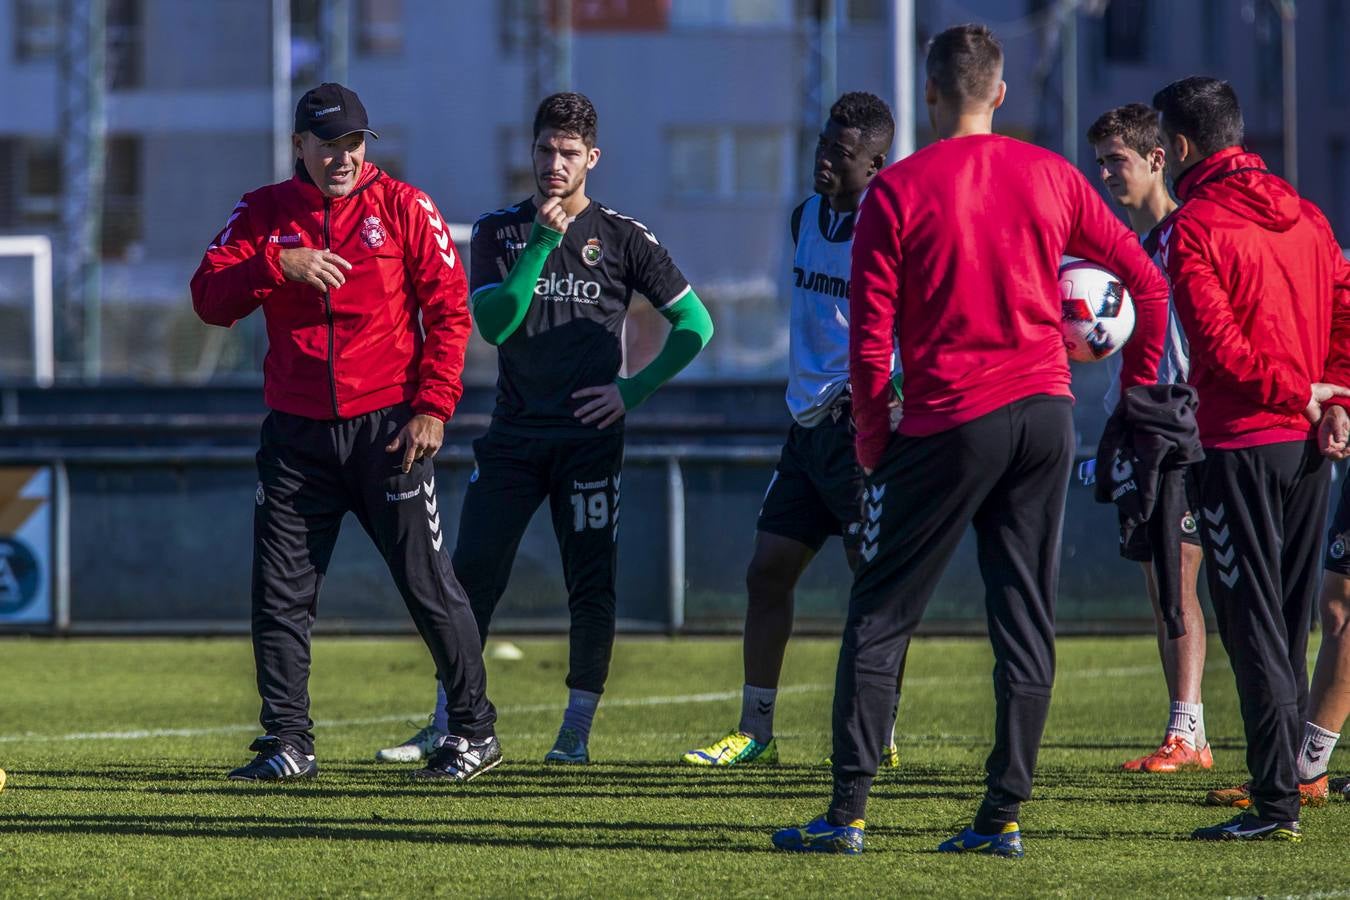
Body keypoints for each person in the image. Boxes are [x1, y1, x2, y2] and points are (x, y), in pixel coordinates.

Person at [771, 24, 1170, 856]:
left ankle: (846, 815)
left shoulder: (897, 191)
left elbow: (868, 342)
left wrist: (873, 443)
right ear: (999, 94)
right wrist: (1134, 398)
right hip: (1045, 418)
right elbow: (1147, 282)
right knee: (1024, 619)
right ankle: (1002, 817)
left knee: (880, 612)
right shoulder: (1052, 175)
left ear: (928, 94)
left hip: (952, 419)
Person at [380, 92, 713, 770]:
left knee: (590, 586)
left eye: (568, 153)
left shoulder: (624, 237)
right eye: (544, 150)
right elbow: (497, 326)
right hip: (513, 440)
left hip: (589, 444)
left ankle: (575, 733)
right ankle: (450, 722)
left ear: (592, 158)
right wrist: (541, 243)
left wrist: (631, 391)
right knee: (468, 579)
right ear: (530, 153)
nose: (554, 163)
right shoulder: (502, 232)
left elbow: (697, 327)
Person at [190, 83, 500, 782]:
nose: (343, 157)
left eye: (354, 142)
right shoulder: (264, 212)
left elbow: (449, 313)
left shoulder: (404, 206)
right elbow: (208, 299)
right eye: (328, 144)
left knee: (427, 586)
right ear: (299, 146)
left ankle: (475, 732)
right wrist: (277, 264)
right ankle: (288, 743)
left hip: (388, 431)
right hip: (296, 438)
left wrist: (433, 408)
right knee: (279, 596)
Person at [1148, 76, 1350, 842]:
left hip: (1239, 445)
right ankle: (1291, 783)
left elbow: (1217, 344)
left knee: (1255, 625)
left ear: (1184, 147)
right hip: (1307, 448)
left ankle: (1275, 804)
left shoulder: (1195, 225)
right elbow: (1345, 308)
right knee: (1289, 620)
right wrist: (1333, 402)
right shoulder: (1308, 214)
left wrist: (1303, 392)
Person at [682, 93, 905, 770]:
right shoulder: (803, 217)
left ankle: (879, 729)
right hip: (806, 427)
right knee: (767, 571)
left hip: (859, 424)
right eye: (822, 146)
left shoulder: (889, 225)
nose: (825, 161)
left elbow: (914, 323)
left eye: (842, 153)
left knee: (873, 586)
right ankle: (756, 730)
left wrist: (889, 397)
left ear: (875, 164)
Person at [1086, 103, 1212, 773]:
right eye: (1101, 161)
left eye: (1119, 160)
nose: (1108, 173)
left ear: (1159, 158)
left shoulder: (1189, 235)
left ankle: (1188, 731)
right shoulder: (1132, 254)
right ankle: (1188, 728)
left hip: (1189, 431)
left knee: (1180, 576)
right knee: (1161, 581)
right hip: (1143, 433)